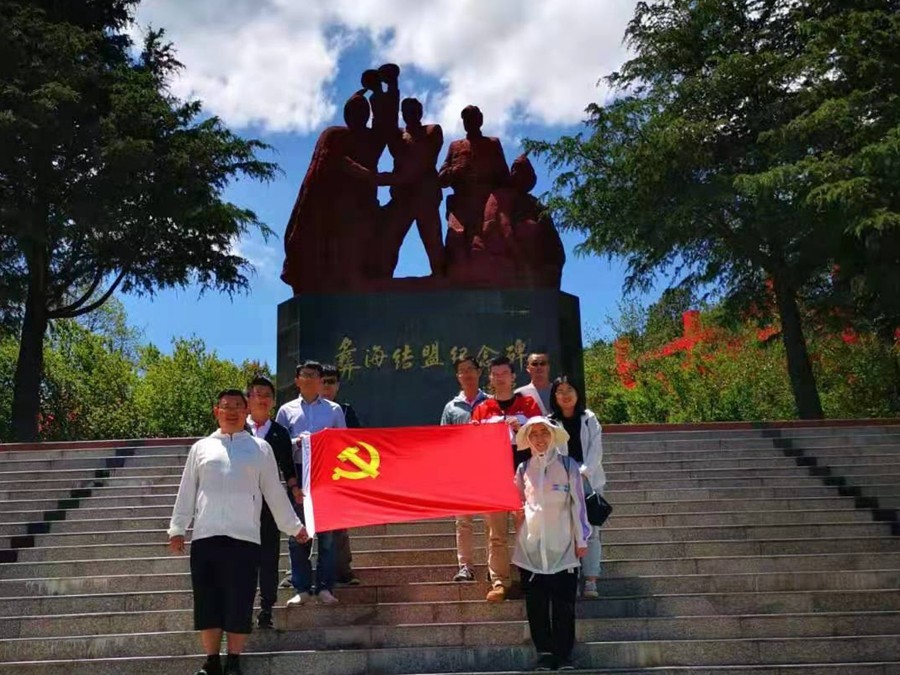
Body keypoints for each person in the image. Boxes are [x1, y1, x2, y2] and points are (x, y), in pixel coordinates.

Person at [168, 389, 309, 675]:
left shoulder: (260, 448)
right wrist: (178, 527)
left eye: (237, 406)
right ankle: (211, 660)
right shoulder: (201, 448)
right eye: (225, 406)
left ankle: (233, 659)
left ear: (246, 412)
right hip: (206, 536)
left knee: (239, 600)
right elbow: (187, 490)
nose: (231, 411)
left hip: (244, 538)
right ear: (216, 412)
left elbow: (274, 491)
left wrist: (294, 527)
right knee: (207, 600)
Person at [513, 417, 590, 671]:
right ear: (527, 439)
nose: (539, 439)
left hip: (563, 547)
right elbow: (517, 502)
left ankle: (564, 654)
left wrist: (581, 538)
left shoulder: (568, 466)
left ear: (553, 435)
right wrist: (516, 513)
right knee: (536, 605)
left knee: (564, 605)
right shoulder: (523, 469)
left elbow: (578, 504)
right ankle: (545, 654)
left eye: (544, 433)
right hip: (531, 550)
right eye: (533, 434)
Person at [470, 355, 542, 601]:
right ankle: (500, 581)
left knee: (527, 529)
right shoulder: (482, 409)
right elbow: (471, 445)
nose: (500, 378)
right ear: (490, 378)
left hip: (525, 476)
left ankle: (529, 577)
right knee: (496, 534)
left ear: (513, 377)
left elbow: (542, 436)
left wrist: (521, 429)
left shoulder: (528, 404)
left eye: (504, 373)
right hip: (494, 479)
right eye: (495, 374)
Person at [275, 360, 346, 606]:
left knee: (327, 535)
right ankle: (302, 587)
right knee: (298, 533)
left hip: (326, 474)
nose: (310, 379)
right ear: (297, 380)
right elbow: (279, 444)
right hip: (297, 473)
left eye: (314, 376)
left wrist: (323, 442)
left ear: (320, 381)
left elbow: (343, 443)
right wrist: (297, 442)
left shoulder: (334, 410)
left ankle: (325, 586)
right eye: (305, 375)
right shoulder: (286, 410)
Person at [244, 376, 302, 629]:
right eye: (257, 394)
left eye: (267, 395)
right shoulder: (236, 429)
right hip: (239, 505)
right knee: (242, 558)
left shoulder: (279, 433)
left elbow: (288, 468)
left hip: (268, 506)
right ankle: (241, 606)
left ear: (273, 401)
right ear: (248, 399)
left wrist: (295, 489)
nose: (261, 399)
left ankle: (266, 607)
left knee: (268, 557)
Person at [548, 375, 606, 600]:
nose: (565, 395)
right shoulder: (550, 422)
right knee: (565, 530)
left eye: (569, 390)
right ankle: (570, 577)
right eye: (560, 391)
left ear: (577, 393)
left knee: (591, 530)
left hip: (589, 481)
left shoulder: (589, 418)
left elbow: (595, 450)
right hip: (560, 482)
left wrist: (582, 473)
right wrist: (567, 475)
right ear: (554, 396)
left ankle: (591, 579)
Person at [376, 97, 445, 278]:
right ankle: (383, 279)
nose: (410, 114)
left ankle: (441, 277)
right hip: (403, 198)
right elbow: (387, 127)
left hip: (425, 197)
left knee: (433, 243)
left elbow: (421, 161)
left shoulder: (432, 131)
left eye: (414, 110)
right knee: (389, 241)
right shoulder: (397, 135)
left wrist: (385, 178)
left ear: (420, 112)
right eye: (406, 111)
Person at [439, 105, 509, 277]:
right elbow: (441, 179)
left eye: (473, 118)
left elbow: (504, 177)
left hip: (485, 204)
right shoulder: (455, 146)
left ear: (481, 120)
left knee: (482, 246)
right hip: (461, 205)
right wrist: (456, 170)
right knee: (455, 241)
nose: (469, 122)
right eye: (466, 119)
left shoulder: (492, 144)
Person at [439, 355, 489, 582]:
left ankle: (492, 567)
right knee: (463, 523)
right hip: (462, 473)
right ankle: (465, 566)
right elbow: (444, 440)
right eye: (462, 370)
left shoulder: (491, 403)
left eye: (470, 369)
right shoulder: (451, 407)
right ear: (457, 376)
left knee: (491, 523)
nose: (467, 374)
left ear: (479, 372)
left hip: (488, 471)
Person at [321, 363, 361, 586]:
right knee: (305, 524)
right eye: (323, 381)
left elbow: (356, 441)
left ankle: (343, 570)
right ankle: (296, 572)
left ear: (338, 385)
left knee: (339, 525)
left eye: (331, 382)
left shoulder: (345, 411)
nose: (327, 386)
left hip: (338, 475)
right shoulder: (304, 410)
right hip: (311, 475)